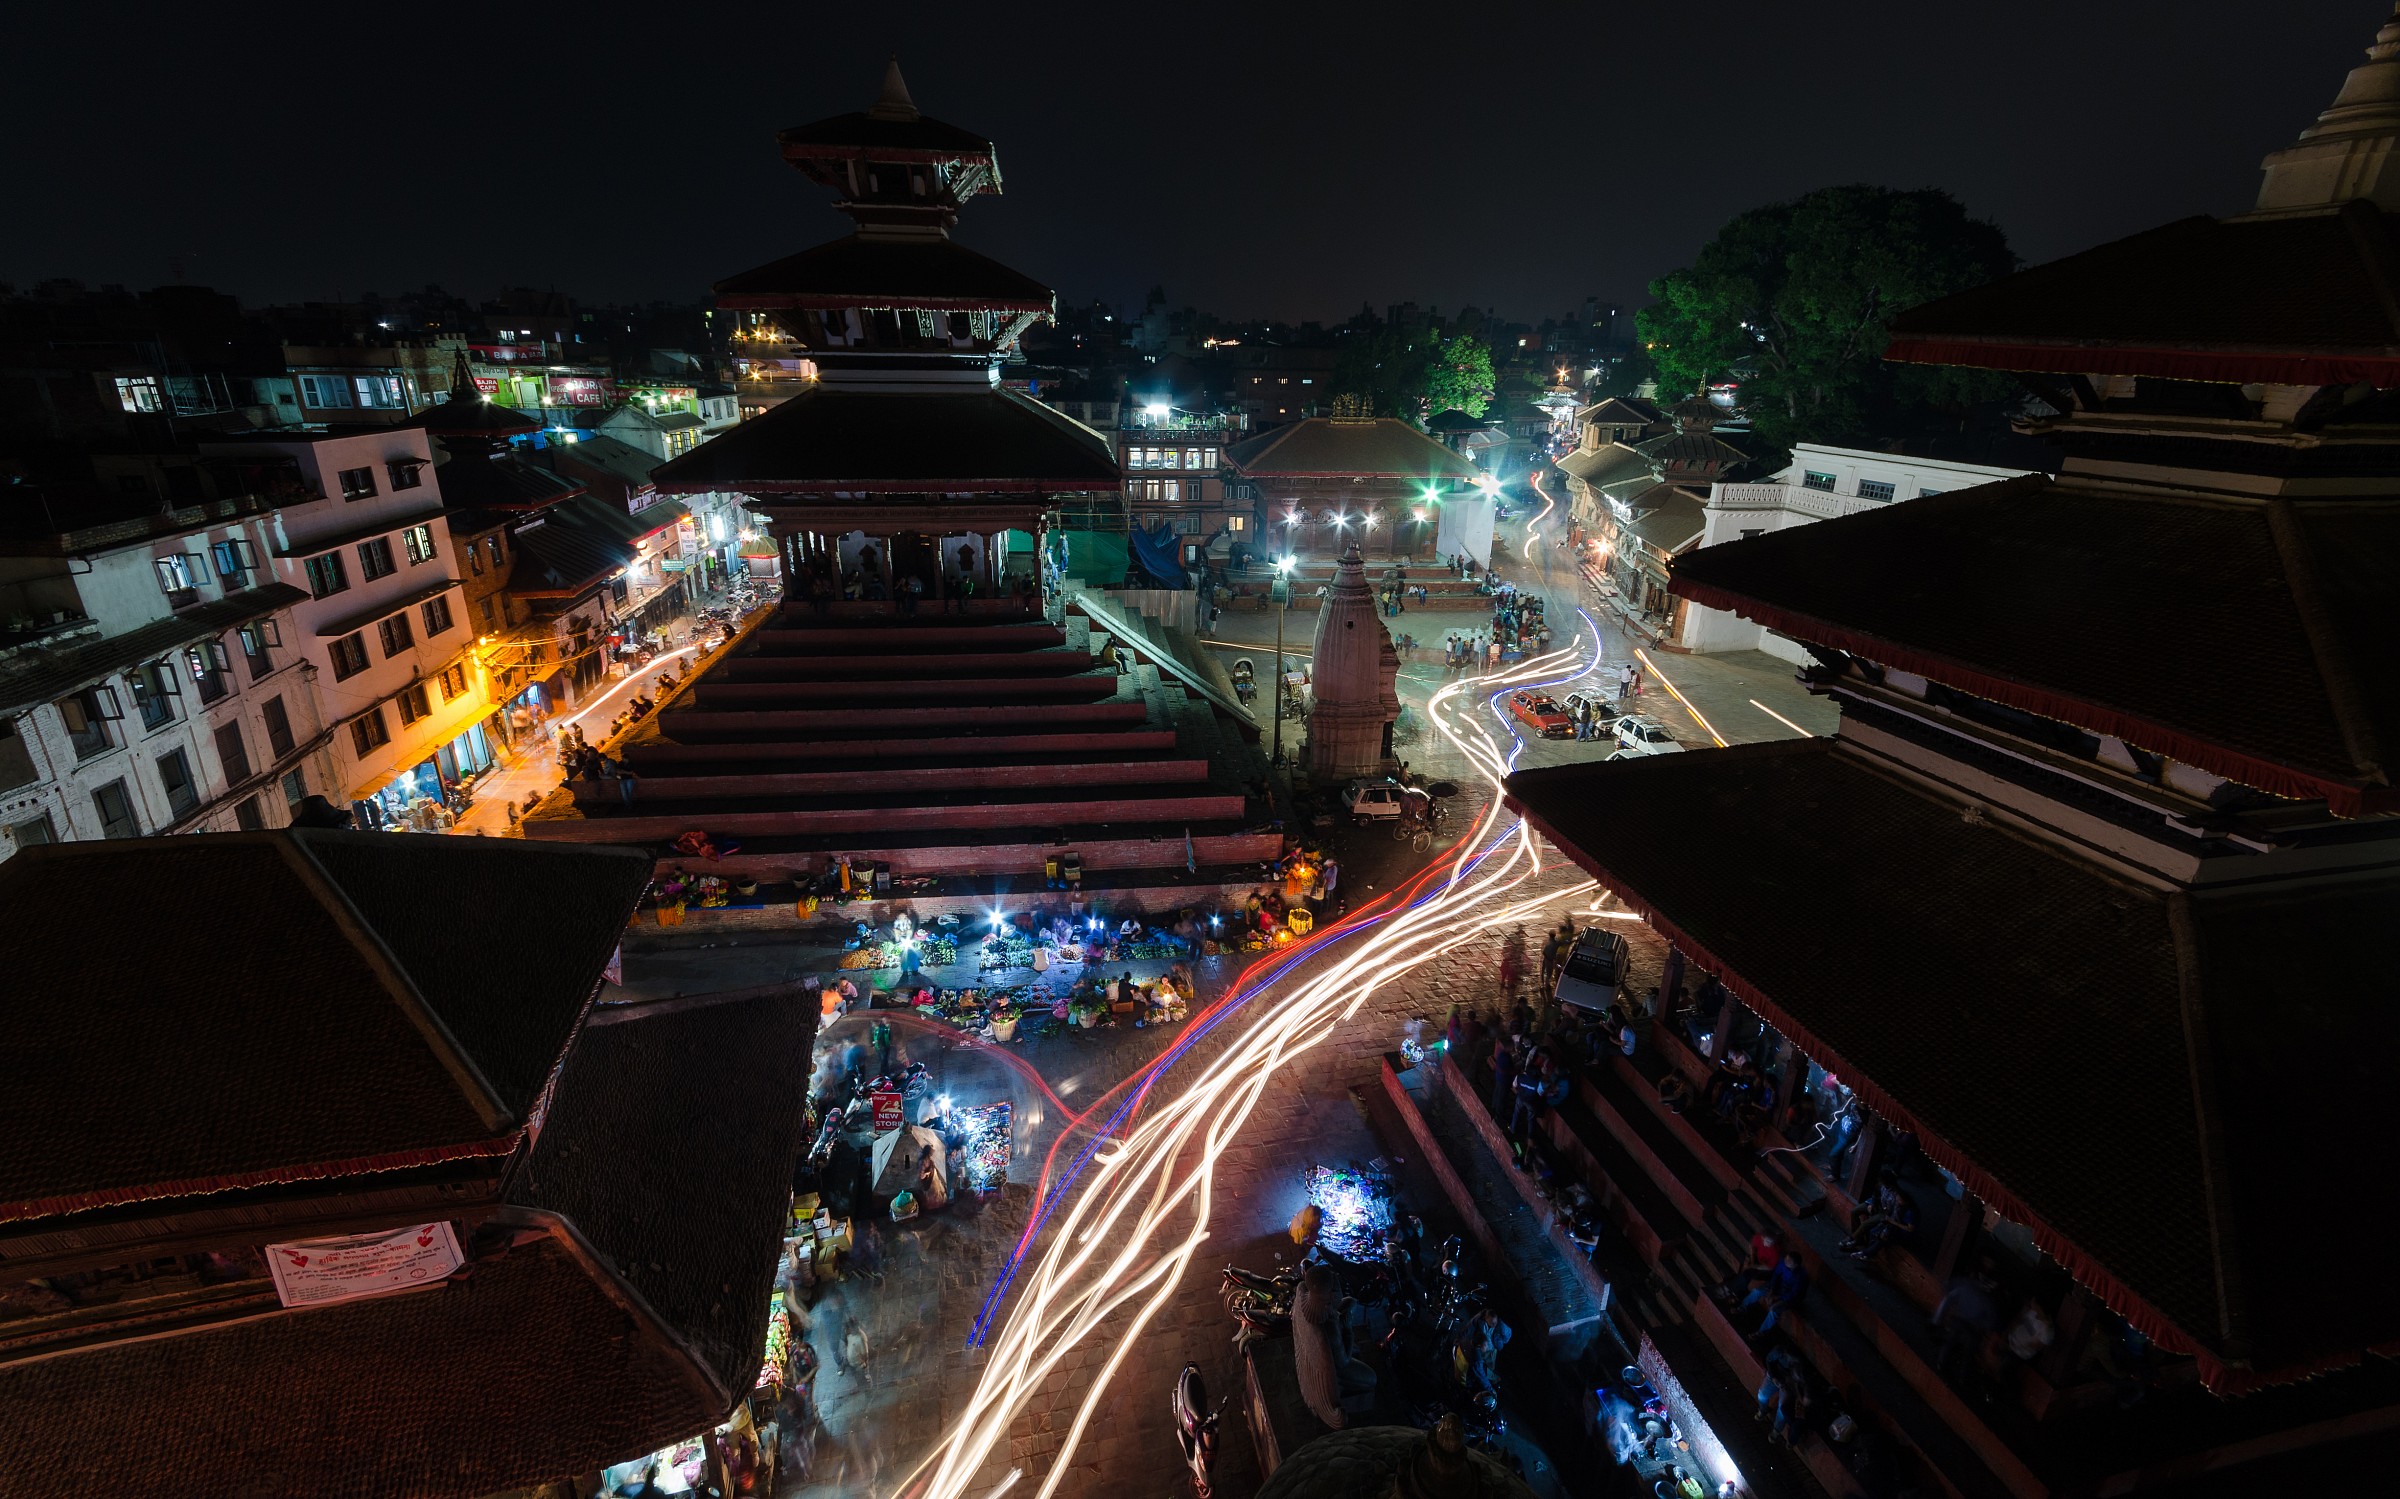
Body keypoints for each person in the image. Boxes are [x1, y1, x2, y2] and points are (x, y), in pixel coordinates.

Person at [1841, 1167, 1920, 1259]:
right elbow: (1876, 1193)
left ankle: (1853, 1238)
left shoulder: (1897, 1197)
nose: (1880, 1181)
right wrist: (1872, 1203)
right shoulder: (1882, 1186)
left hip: (1885, 1213)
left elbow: (1895, 1216)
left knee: (1867, 1224)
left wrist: (1888, 1226)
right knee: (1854, 1211)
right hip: (1878, 1206)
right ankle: (1858, 1240)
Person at [1741, 1251, 1809, 1344]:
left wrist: (1776, 1298)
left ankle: (1761, 1332)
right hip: (1777, 1286)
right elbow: (1776, 1275)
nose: (1785, 1262)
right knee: (1758, 1291)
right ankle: (1743, 1306)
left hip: (1788, 1296)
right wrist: (1771, 1291)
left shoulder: (1801, 1277)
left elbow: (1793, 1294)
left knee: (1773, 1310)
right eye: (1786, 1259)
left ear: (1796, 1265)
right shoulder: (1783, 1262)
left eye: (1789, 1262)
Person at [1458, 1307, 1512, 1396]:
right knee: (1484, 1370)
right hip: (1468, 1378)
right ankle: (1493, 1379)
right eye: (1491, 1323)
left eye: (1495, 1322)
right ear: (1485, 1319)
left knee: (1488, 1367)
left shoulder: (1499, 1326)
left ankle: (1492, 1377)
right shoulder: (1477, 1357)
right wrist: (1490, 1390)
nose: (1494, 1325)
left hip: (1488, 1351)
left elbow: (1507, 1336)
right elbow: (1480, 1373)